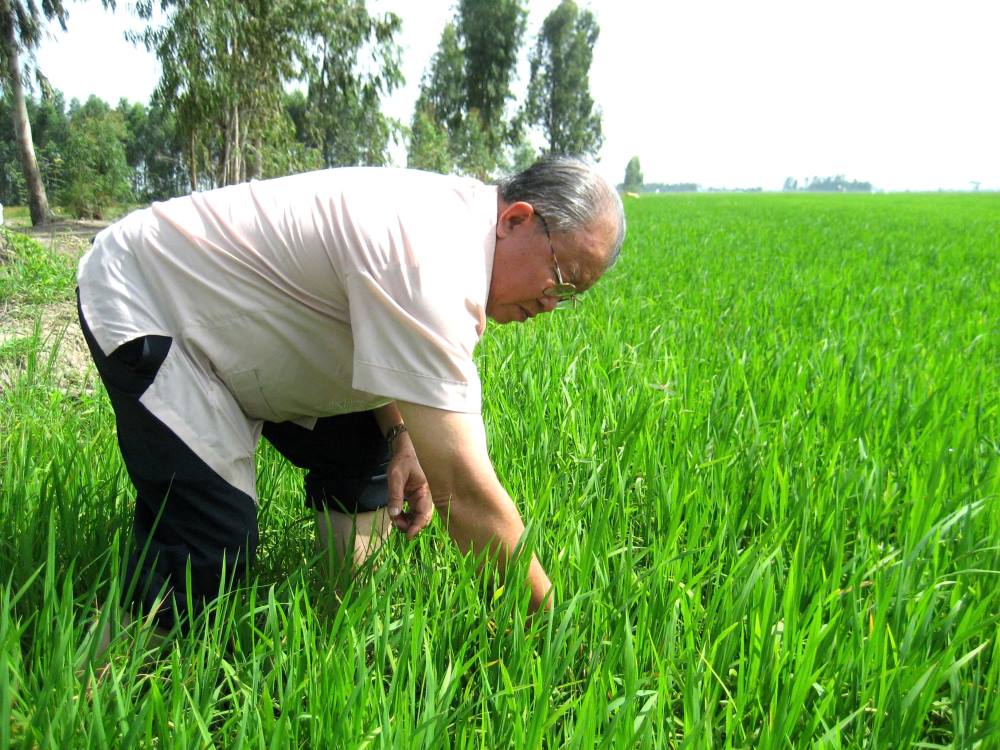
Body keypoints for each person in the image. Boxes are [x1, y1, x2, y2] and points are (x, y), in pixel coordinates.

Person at [77, 156, 625, 637]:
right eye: (561, 277)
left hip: (247, 325)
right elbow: (464, 489)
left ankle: (341, 618)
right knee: (206, 549)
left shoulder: (456, 227)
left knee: (368, 445)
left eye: (572, 296)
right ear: (516, 219)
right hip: (152, 297)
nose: (554, 302)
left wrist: (401, 432)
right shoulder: (431, 256)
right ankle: (86, 685)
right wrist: (556, 636)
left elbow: (382, 344)